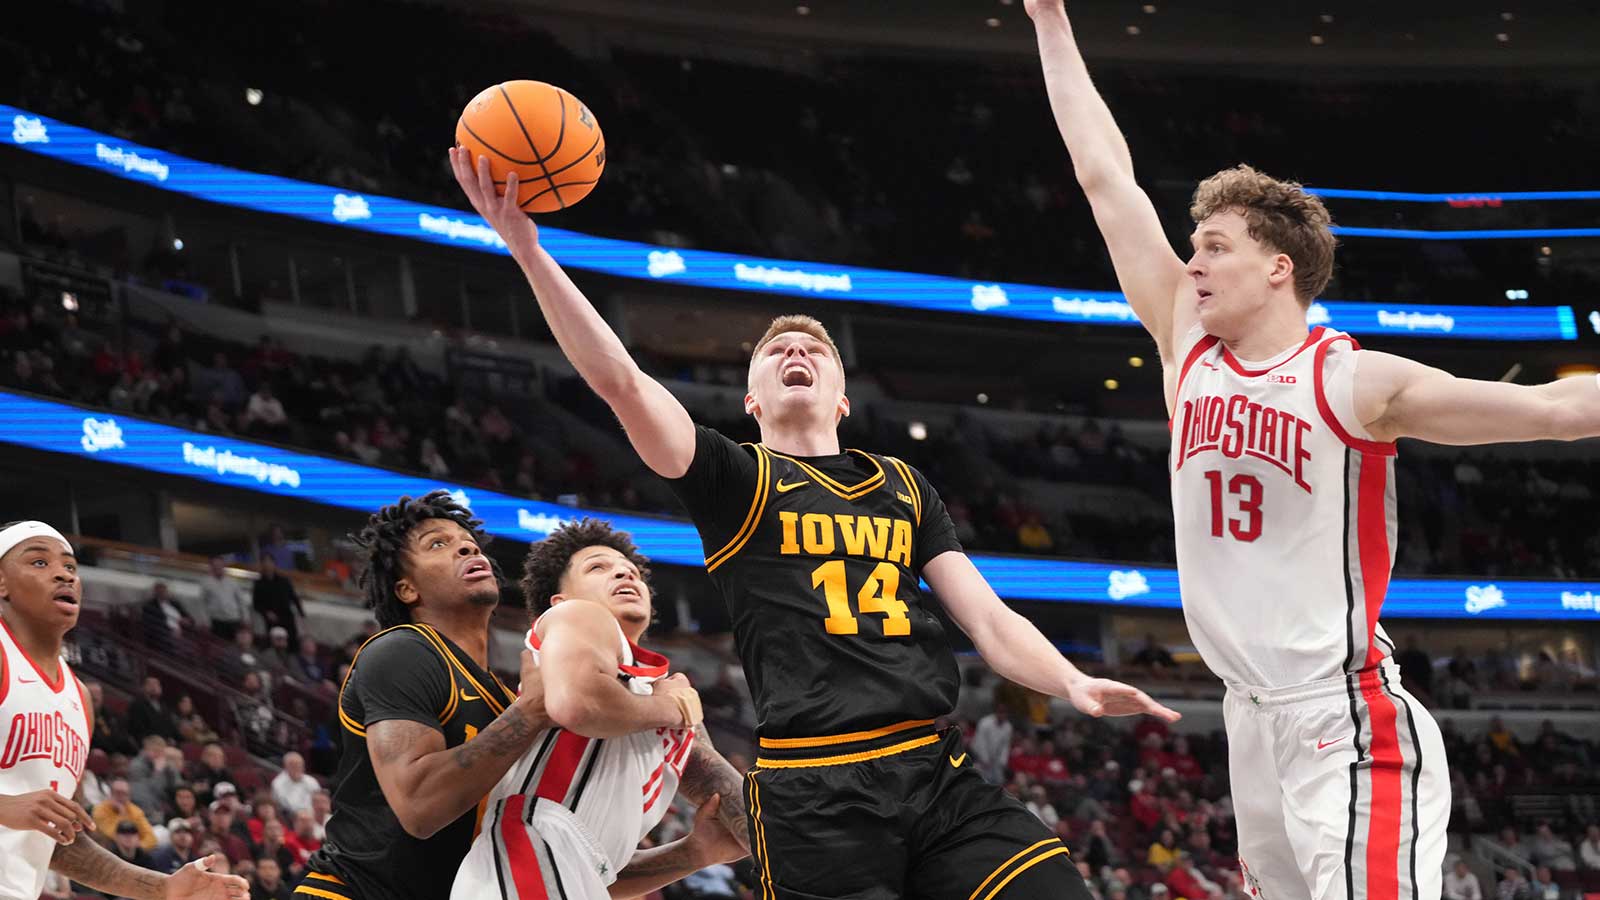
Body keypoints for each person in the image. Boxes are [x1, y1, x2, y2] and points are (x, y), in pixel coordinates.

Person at [452, 148, 1177, 900]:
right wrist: (530, 252)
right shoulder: (735, 477)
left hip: (934, 770)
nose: (796, 349)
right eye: (775, 350)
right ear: (753, 403)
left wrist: (1073, 681)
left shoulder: (903, 483)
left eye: (815, 348)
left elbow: (988, 622)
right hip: (812, 791)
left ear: (842, 399)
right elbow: (619, 381)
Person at [1028, 1, 1599, 897]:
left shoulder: (1353, 382)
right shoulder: (1189, 350)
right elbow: (1106, 180)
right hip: (1247, 724)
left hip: (1348, 718)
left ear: (1279, 267)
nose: (1193, 266)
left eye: (1214, 246)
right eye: (1192, 247)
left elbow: (1557, 409)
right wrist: (1049, 16)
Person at [452, 519, 749, 899]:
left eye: (631, 570)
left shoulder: (654, 690)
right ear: (560, 600)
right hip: (526, 846)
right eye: (597, 567)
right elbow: (578, 705)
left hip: (556, 864)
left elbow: (726, 798)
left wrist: (696, 853)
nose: (624, 570)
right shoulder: (577, 616)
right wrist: (672, 707)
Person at [297, 492, 552, 900]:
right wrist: (532, 712)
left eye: (466, 539)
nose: (467, 545)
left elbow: (560, 866)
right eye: (438, 543)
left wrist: (690, 851)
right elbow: (418, 806)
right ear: (406, 589)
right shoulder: (402, 650)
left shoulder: (508, 700)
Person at [0, 520, 248, 900]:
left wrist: (162, 888)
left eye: (70, 567)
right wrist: (6, 806)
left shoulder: (78, 698)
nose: (63, 576)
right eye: (39, 563)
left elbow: (67, 844)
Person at [252, 556, 304, 649]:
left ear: (274, 564)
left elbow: (294, 598)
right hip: (272, 620)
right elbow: (256, 604)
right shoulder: (258, 584)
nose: (267, 566)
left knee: (292, 644)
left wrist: (301, 613)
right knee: (275, 645)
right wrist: (266, 612)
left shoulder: (284, 581)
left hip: (287, 617)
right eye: (265, 563)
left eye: (269, 563)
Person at [200, 557, 251, 641]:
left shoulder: (233, 582)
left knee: (235, 645)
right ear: (211, 567)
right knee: (219, 647)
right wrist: (205, 621)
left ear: (223, 566)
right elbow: (202, 604)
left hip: (234, 619)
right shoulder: (206, 583)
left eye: (220, 565)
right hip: (217, 621)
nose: (217, 567)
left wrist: (245, 618)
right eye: (215, 565)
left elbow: (241, 601)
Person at [271, 752, 318, 818]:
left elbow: (319, 800)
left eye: (300, 765)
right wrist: (304, 813)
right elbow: (285, 806)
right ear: (286, 767)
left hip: (313, 815)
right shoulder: (278, 783)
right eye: (293, 765)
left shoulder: (311, 781)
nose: (297, 767)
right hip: (291, 817)